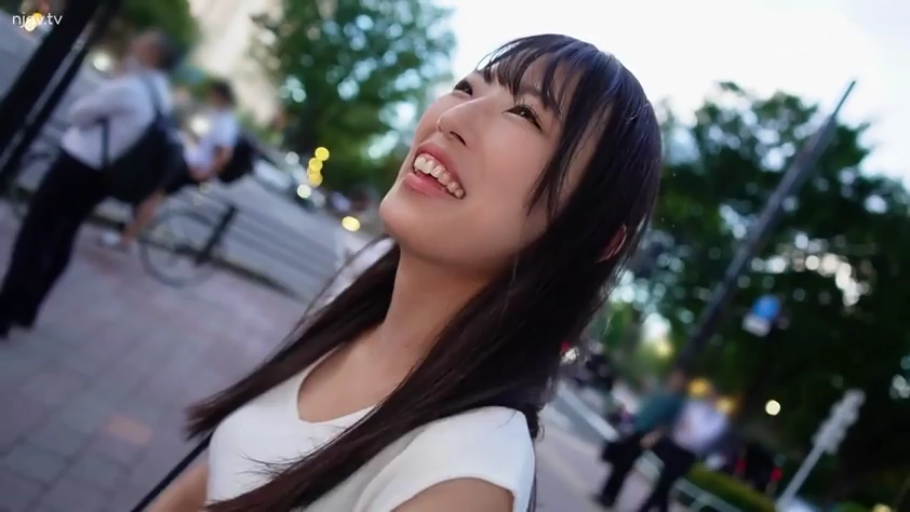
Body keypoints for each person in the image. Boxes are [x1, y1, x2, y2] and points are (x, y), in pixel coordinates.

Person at [147, 34, 662, 512]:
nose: (452, 117)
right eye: (467, 88)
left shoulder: (461, 479)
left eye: (525, 113)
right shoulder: (354, 328)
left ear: (595, 238)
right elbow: (213, 483)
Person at [0, 30, 181, 339]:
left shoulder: (130, 87)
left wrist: (116, 80)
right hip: (103, 176)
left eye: (141, 42)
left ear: (151, 54)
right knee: (62, 236)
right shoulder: (161, 95)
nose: (133, 43)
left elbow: (79, 114)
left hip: (77, 166)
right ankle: (28, 306)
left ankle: (6, 310)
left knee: (36, 236)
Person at [101, 79, 240, 250]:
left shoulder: (225, 123)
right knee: (153, 193)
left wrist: (205, 172)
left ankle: (127, 238)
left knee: (154, 196)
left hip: (191, 167)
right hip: (189, 162)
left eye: (213, 94)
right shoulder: (218, 116)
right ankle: (134, 230)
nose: (210, 97)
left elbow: (224, 154)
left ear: (221, 97)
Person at [595, 369, 688, 508]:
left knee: (625, 464)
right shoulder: (660, 392)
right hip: (635, 428)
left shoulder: (677, 402)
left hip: (646, 434)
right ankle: (605, 493)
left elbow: (669, 424)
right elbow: (644, 408)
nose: (675, 380)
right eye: (675, 377)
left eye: (679, 379)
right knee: (618, 462)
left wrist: (655, 435)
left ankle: (609, 497)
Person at [636, 386, 730, 512]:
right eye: (711, 396)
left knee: (665, 483)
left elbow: (705, 437)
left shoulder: (719, 420)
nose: (712, 399)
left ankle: (644, 509)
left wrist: (692, 430)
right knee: (664, 483)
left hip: (689, 454)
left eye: (715, 398)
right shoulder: (694, 407)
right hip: (676, 446)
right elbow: (680, 422)